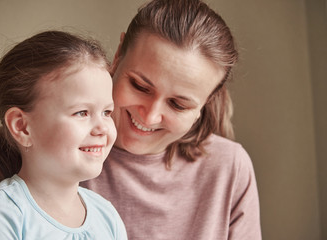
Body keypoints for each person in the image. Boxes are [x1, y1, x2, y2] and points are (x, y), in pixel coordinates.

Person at [80, 0, 262, 239]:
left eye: (178, 104)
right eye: (140, 86)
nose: (150, 115)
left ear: (205, 103)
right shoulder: (57, 144)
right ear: (118, 55)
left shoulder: (229, 167)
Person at [0, 31, 128, 240]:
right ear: (22, 127)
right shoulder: (0, 216)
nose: (102, 128)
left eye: (107, 112)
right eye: (82, 112)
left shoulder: (108, 217)